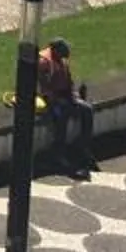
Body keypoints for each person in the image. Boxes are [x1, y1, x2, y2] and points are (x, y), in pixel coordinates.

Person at [39, 38, 93, 177]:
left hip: (64, 97)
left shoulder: (62, 60)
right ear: (56, 50)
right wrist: (57, 101)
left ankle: (82, 146)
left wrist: (74, 96)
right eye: (64, 50)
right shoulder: (44, 63)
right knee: (62, 116)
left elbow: (68, 81)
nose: (68, 52)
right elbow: (44, 88)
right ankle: (58, 155)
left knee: (87, 109)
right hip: (49, 100)